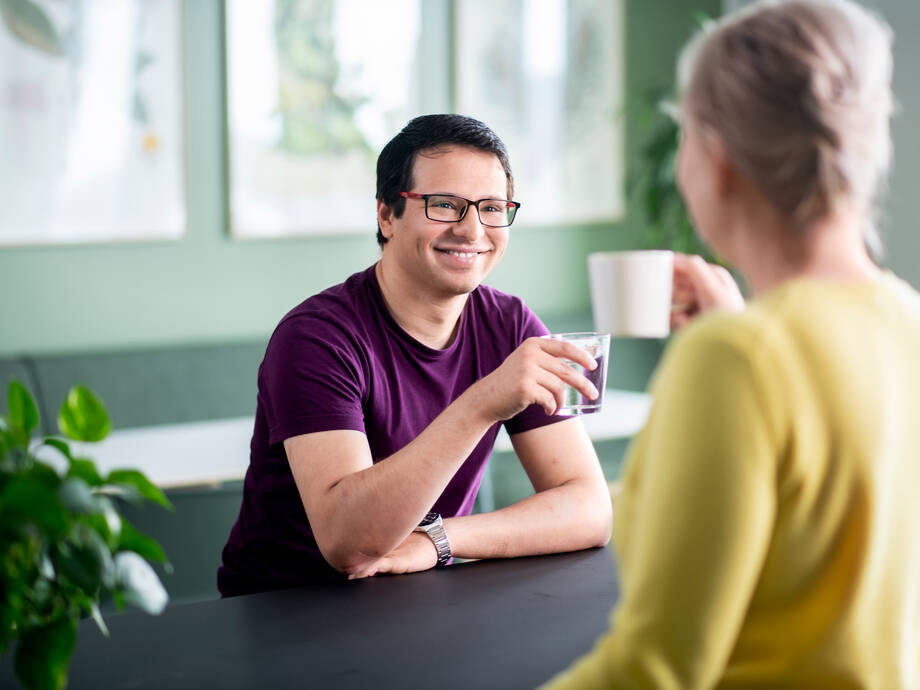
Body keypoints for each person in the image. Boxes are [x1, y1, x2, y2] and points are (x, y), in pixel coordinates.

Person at [543, 0, 920, 687]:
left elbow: (652, 671)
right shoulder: (905, 319)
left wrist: (742, 344)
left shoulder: (737, 360)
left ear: (715, 159)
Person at [218, 114, 612, 595]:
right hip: (288, 610)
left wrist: (438, 541)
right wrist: (483, 402)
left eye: (492, 208)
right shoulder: (316, 338)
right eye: (445, 205)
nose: (472, 231)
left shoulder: (508, 324)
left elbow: (589, 509)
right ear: (387, 214)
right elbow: (349, 545)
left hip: (418, 596)